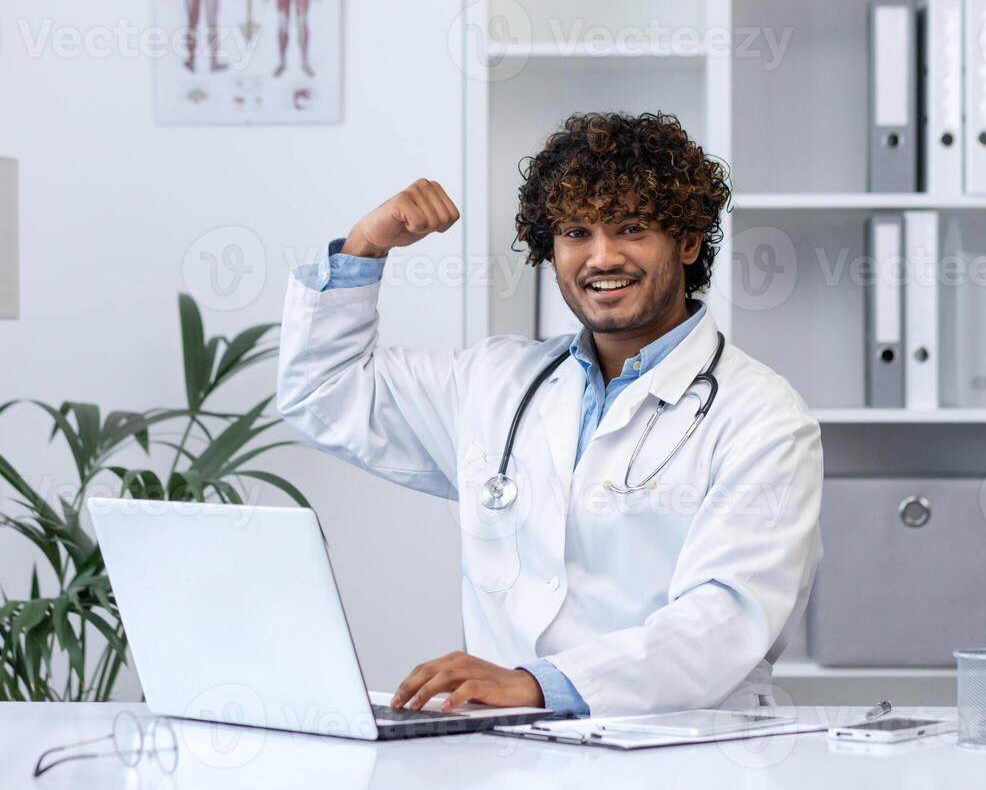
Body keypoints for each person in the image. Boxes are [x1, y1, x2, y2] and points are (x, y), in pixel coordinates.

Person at [277, 112, 823, 719]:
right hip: (509, 750)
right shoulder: (496, 382)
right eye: (575, 232)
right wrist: (365, 247)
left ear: (689, 242)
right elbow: (322, 393)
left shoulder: (763, 417)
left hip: (680, 753)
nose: (602, 257)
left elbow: (725, 619)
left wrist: (537, 684)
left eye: (631, 228)